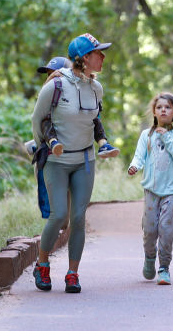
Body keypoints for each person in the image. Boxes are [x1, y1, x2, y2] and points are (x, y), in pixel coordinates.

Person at [30, 34, 113, 293]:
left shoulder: (96, 88)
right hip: (56, 161)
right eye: (98, 52)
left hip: (85, 160)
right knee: (59, 216)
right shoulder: (54, 87)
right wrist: (47, 147)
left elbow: (94, 121)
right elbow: (37, 121)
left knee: (78, 217)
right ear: (84, 58)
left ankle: (72, 273)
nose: (103, 56)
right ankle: (42, 264)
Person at [127, 92, 173, 286]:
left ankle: (164, 268)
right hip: (151, 190)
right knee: (150, 229)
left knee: (167, 230)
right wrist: (135, 166)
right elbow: (139, 156)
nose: (163, 110)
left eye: (168, 107)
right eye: (160, 107)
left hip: (172, 190)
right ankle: (150, 257)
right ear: (154, 112)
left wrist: (168, 139)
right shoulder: (147, 135)